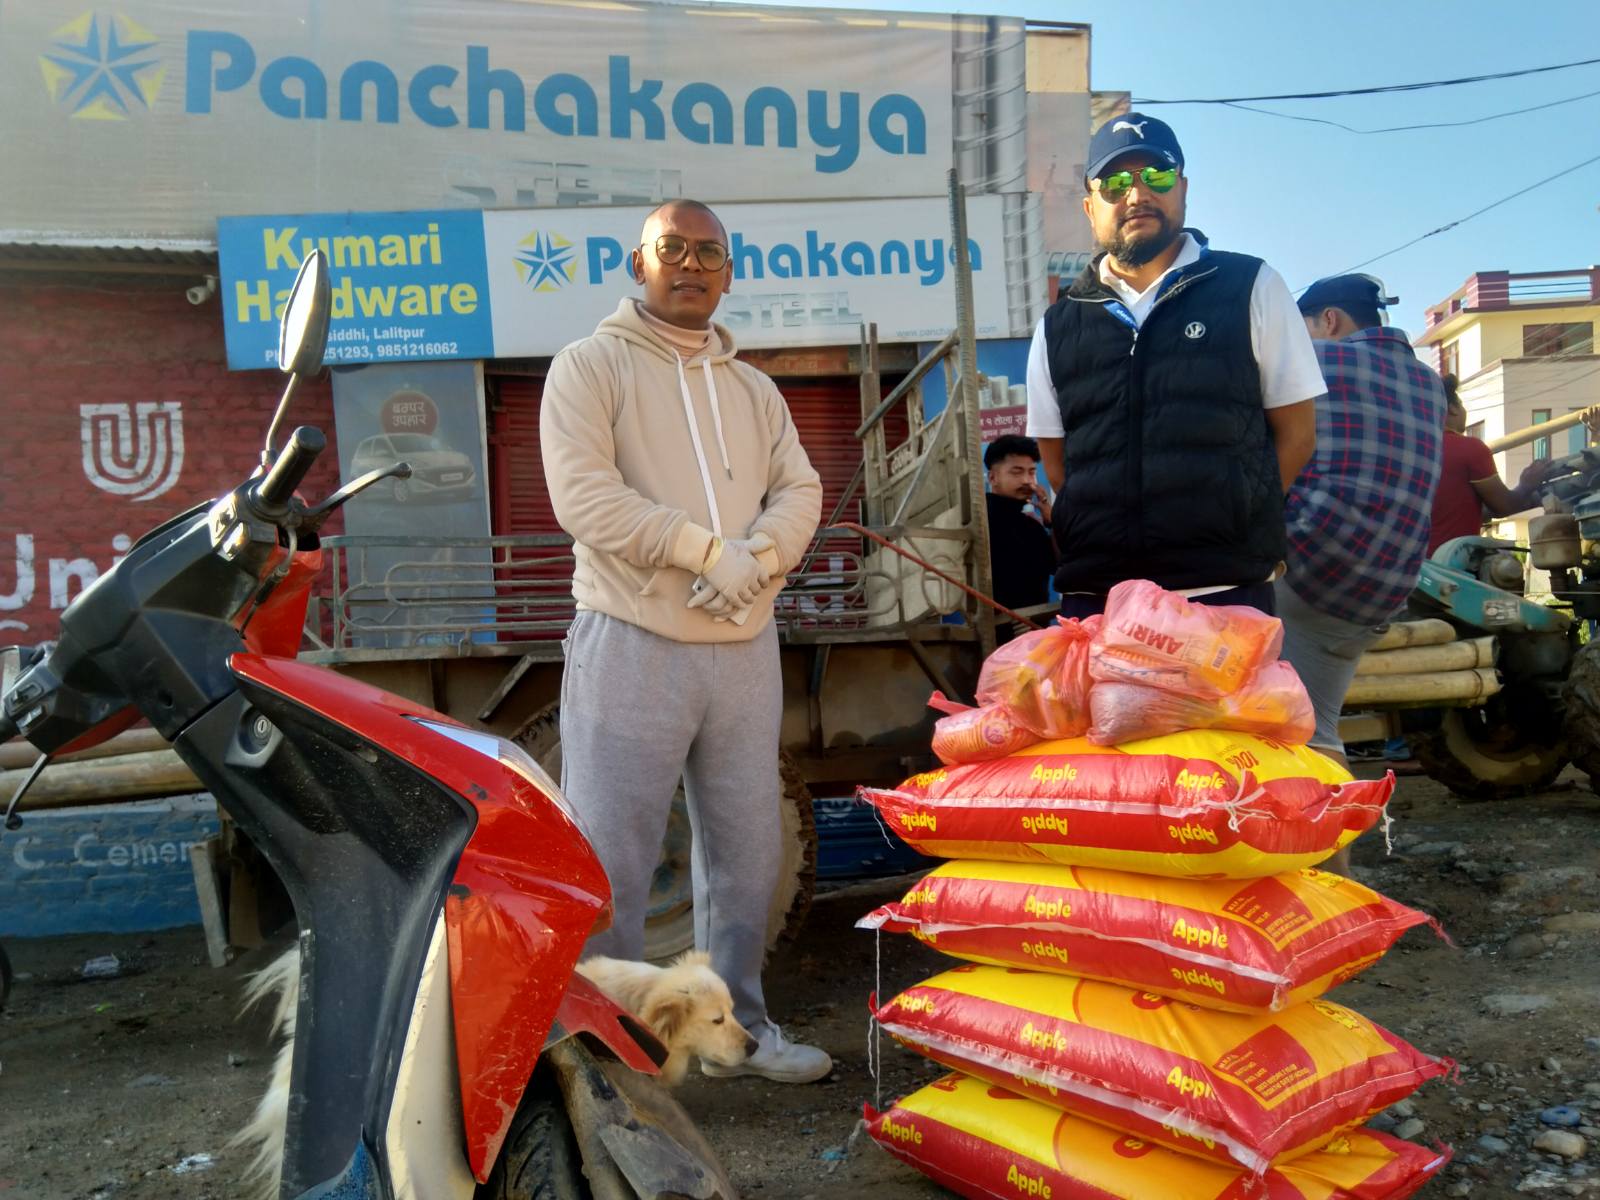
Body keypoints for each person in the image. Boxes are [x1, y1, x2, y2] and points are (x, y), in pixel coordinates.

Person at [540, 199, 828, 1083]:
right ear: (639, 265)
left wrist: (759, 561)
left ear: (729, 272)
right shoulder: (588, 368)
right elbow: (582, 496)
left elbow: (801, 488)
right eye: (673, 249)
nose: (692, 264)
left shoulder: (753, 388)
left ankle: (738, 1029)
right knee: (610, 860)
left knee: (747, 854)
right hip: (631, 640)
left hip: (743, 650)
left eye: (710, 251)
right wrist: (705, 549)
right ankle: (610, 1049)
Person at [1025, 112, 1323, 619]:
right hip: (1100, 601)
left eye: (1156, 176)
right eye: (1116, 182)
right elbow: (1059, 463)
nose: (1137, 195)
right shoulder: (1058, 325)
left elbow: (1297, 435)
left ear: (1182, 188)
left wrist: (1240, 516)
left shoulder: (1250, 286)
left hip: (1225, 594)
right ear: (1090, 207)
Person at [1278, 276, 1448, 855]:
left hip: (1306, 562)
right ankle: (1335, 866)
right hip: (1384, 583)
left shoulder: (1317, 363)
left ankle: (1312, 868)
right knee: (1317, 725)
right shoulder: (1430, 384)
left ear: (1328, 321)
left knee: (1273, 728)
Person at [1429, 374, 1553, 554]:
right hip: (1454, 565)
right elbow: (1504, 506)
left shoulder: (1416, 449)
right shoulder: (1471, 449)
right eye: (1462, 404)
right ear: (1453, 408)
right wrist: (1526, 484)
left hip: (1416, 566)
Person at [983, 434, 1056, 618]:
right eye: (1016, 472)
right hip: (1000, 633)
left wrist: (1052, 522)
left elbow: (1058, 565)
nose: (1026, 480)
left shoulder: (1030, 525)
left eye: (1031, 472)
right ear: (993, 478)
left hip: (1033, 633)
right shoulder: (981, 518)